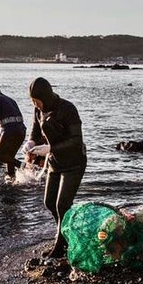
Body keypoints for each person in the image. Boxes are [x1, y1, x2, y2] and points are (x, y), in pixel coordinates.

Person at [26, 77, 86, 258]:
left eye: (37, 101)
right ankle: (66, 232)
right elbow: (36, 131)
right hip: (54, 163)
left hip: (74, 163)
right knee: (49, 202)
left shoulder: (68, 109)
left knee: (63, 205)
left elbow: (76, 140)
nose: (35, 105)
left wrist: (50, 148)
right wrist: (30, 143)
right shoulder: (38, 110)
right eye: (32, 101)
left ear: (47, 96)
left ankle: (60, 246)